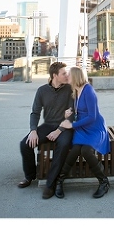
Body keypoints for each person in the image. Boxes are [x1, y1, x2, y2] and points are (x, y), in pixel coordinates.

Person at [17, 62, 73, 199]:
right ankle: (30, 176)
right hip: (47, 126)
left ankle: (50, 184)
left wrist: (59, 130)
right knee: (25, 144)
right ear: (55, 76)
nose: (67, 75)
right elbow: (35, 112)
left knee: (64, 145)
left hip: (65, 127)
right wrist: (33, 130)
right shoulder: (42, 91)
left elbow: (72, 114)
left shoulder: (70, 89)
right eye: (63, 73)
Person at [54, 66, 111, 199]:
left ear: (76, 77)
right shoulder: (76, 91)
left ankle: (104, 182)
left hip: (94, 128)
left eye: (69, 75)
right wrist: (70, 113)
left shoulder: (88, 91)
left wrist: (72, 125)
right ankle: (59, 181)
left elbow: (92, 116)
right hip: (82, 128)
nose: (67, 77)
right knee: (74, 151)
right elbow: (80, 111)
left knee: (86, 151)